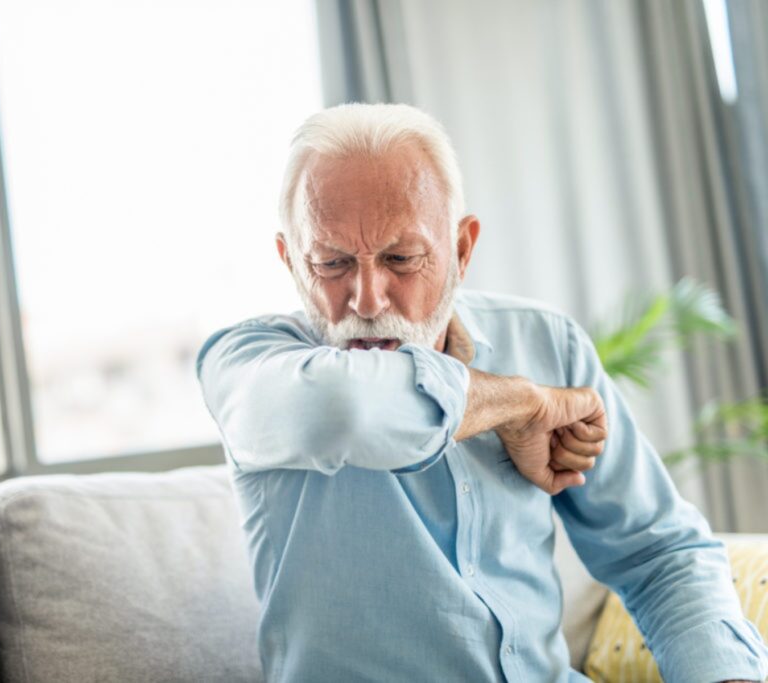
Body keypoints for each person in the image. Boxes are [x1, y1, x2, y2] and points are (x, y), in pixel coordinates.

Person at [195, 103, 768, 682]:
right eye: (332, 262)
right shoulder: (247, 367)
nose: (367, 300)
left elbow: (658, 554)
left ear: (462, 250)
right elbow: (343, 409)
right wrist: (521, 404)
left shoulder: (546, 341)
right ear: (291, 260)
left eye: (401, 258)